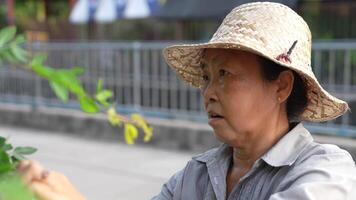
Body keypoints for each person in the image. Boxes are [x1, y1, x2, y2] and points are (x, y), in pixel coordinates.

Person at [19, 2, 356, 200]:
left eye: (226, 75)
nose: (208, 92)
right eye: (208, 76)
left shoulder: (326, 170)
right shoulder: (195, 176)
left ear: (281, 87)